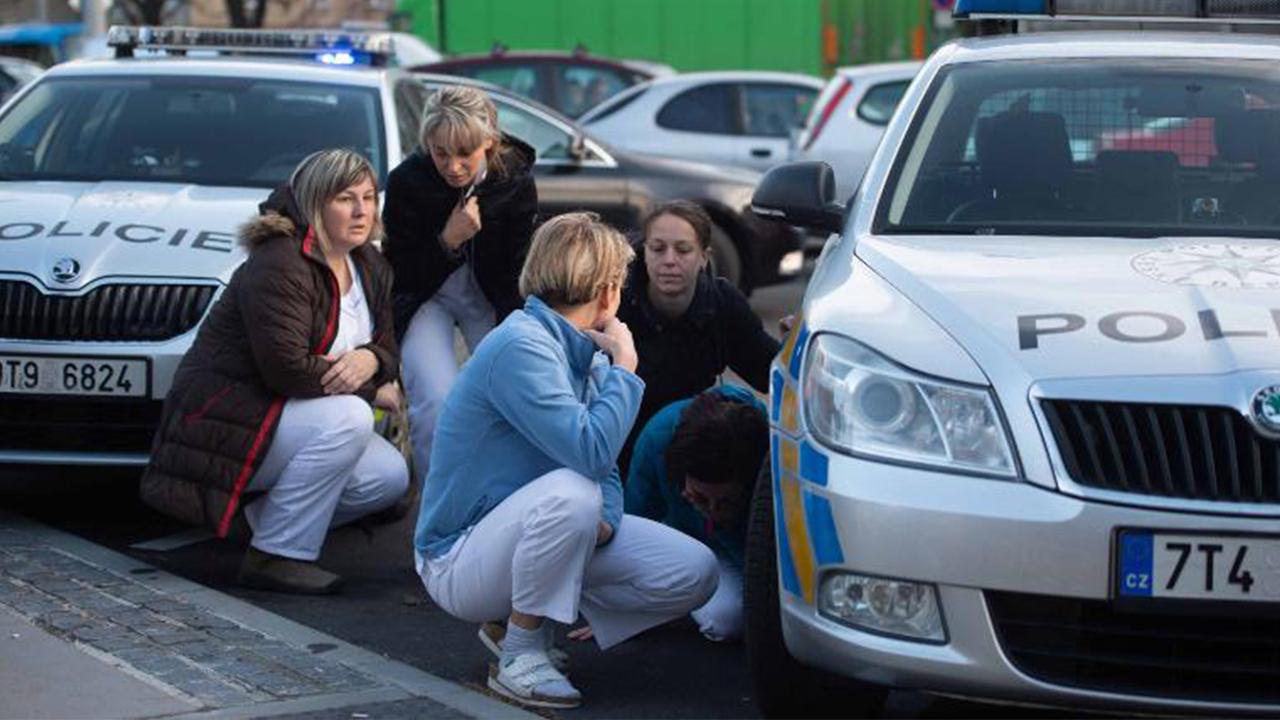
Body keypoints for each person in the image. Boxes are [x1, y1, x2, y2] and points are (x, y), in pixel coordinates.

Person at [414, 212, 718, 710]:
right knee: (574, 495)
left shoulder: (582, 350)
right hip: (458, 558)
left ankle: (518, 617)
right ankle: (520, 653)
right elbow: (592, 451)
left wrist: (607, 520)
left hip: (526, 537)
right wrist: (627, 368)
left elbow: (605, 469)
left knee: (693, 571)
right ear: (607, 290)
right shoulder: (522, 346)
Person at [141, 149, 409, 595]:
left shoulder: (369, 265)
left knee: (387, 477)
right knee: (351, 418)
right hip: (227, 420)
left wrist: (374, 360)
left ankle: (252, 529)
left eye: (368, 197)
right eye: (345, 198)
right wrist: (370, 388)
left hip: (291, 420)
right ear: (313, 204)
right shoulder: (281, 262)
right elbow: (286, 370)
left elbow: (389, 347)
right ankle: (276, 557)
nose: (362, 211)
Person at [382, 85, 538, 483]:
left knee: (510, 395)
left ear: (489, 142)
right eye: (440, 153)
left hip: (491, 297)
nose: (452, 167)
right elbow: (400, 274)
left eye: (464, 154)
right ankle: (438, 511)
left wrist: (516, 338)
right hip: (426, 297)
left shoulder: (514, 180)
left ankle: (503, 497)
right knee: (435, 402)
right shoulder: (407, 182)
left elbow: (518, 271)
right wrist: (448, 241)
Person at [617, 200, 780, 471]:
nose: (669, 260)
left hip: (690, 452)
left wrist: (797, 348)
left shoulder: (722, 304)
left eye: (683, 250)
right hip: (619, 448)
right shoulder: (614, 301)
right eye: (658, 249)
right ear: (644, 253)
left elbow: (772, 374)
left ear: (704, 257)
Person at [625, 385, 767, 642]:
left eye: (725, 500)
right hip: (682, 534)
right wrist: (619, 611)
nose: (711, 509)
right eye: (701, 497)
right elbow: (636, 518)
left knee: (730, 620)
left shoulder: (767, 451)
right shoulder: (657, 438)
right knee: (723, 618)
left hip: (741, 544)